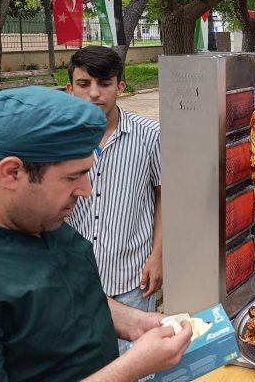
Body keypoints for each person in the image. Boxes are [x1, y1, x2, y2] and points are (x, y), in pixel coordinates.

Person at [0, 87, 191, 380]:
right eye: (72, 176)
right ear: (12, 173)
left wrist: (131, 321)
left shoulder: (36, 216)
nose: (87, 191)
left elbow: (66, 295)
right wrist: (132, 367)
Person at [67, 46, 162, 314]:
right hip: (77, 276)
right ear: (70, 88)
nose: (94, 93)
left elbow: (163, 197)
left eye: (104, 83)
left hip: (132, 278)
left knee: (134, 352)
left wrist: (158, 256)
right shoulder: (60, 139)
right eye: (84, 84)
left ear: (120, 87)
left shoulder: (150, 135)